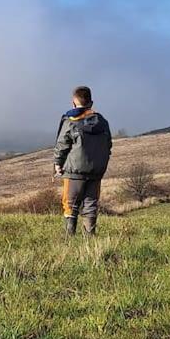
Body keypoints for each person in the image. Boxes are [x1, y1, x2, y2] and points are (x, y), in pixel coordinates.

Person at [53, 85, 112, 236]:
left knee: (70, 205)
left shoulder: (70, 121)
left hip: (74, 171)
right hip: (96, 171)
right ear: (91, 103)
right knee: (91, 205)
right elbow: (108, 145)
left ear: (73, 103)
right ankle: (90, 239)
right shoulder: (103, 122)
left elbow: (62, 145)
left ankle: (69, 239)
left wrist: (58, 164)